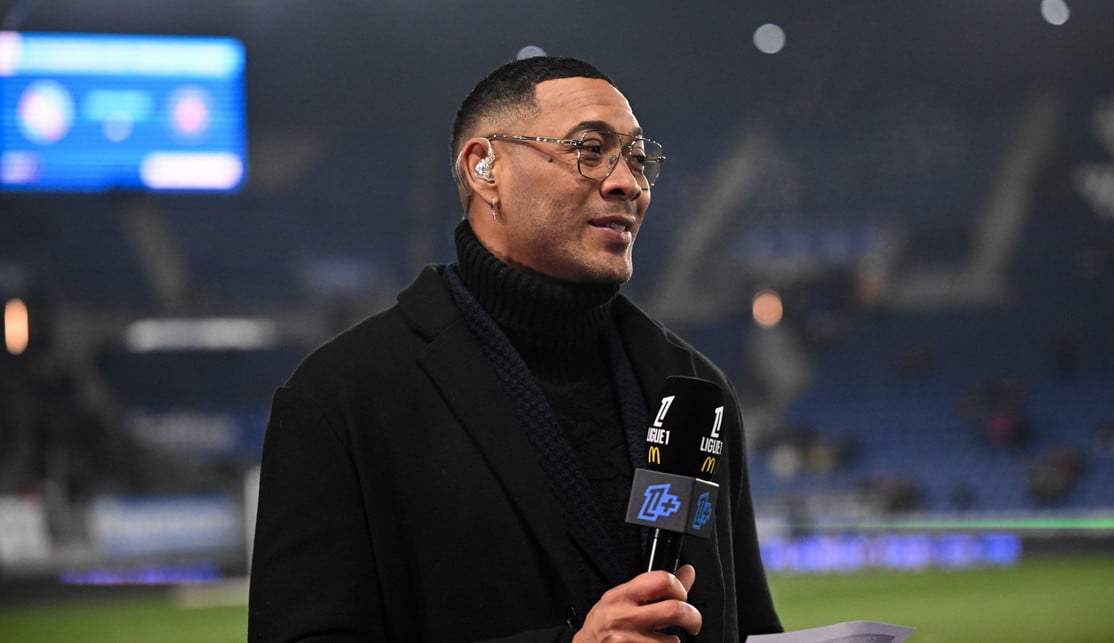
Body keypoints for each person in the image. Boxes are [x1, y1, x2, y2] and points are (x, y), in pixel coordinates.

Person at [248, 55, 782, 642]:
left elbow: (746, 624)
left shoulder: (694, 389)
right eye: (590, 149)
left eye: (637, 157)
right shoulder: (341, 398)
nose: (628, 183)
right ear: (485, 168)